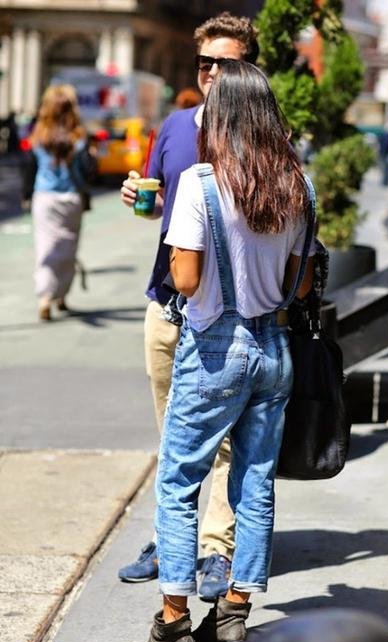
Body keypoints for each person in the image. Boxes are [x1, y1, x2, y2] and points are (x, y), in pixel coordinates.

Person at [125, 59, 315, 642]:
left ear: (223, 117)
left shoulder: (203, 185)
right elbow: (302, 282)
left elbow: (184, 275)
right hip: (274, 349)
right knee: (255, 484)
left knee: (180, 483)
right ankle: (233, 618)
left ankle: (173, 625)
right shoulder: (297, 188)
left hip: (214, 349)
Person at [119, 12, 259, 601]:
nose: (211, 74)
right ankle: (172, 538)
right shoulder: (174, 127)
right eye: (204, 64)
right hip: (167, 300)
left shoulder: (259, 136)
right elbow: (161, 206)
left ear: (247, 69)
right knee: (172, 432)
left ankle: (214, 549)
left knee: (224, 439)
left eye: (224, 64)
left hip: (229, 313)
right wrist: (139, 201)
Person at [26, 85, 93, 321]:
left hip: (44, 197)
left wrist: (26, 196)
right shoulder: (77, 135)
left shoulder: (38, 133)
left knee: (45, 248)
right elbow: (89, 169)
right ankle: (61, 296)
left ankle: (45, 297)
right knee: (68, 248)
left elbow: (30, 167)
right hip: (71, 197)